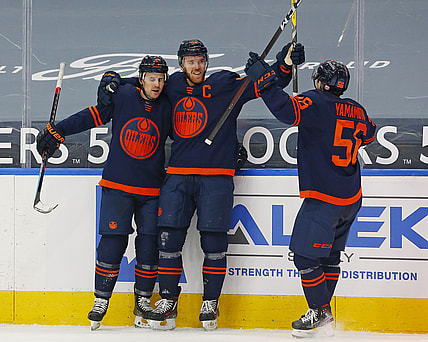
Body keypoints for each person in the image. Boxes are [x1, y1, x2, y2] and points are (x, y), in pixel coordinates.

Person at [98, 39, 305, 330]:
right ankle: (169, 302)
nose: (197, 66)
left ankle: (210, 302)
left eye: (201, 60)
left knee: (215, 243)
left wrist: (284, 63)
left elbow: (266, 82)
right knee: (167, 242)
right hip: (178, 177)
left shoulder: (224, 84)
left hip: (216, 178)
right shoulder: (171, 86)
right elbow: (145, 83)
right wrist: (112, 80)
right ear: (181, 64)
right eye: (191, 61)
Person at [36, 56, 171, 331]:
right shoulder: (123, 96)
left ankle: (143, 300)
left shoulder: (169, 104)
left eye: (161, 78)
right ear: (142, 78)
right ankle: (101, 299)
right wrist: (60, 130)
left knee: (148, 244)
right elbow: (93, 114)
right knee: (112, 241)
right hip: (117, 186)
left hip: (152, 189)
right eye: (151, 78)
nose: (157, 84)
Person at [244, 57, 376, 337]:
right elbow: (369, 135)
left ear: (319, 81)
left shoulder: (315, 102)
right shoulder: (357, 109)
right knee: (329, 257)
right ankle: (324, 314)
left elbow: (286, 111)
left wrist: (265, 81)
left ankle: (319, 311)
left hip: (324, 197)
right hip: (351, 197)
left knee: (305, 257)